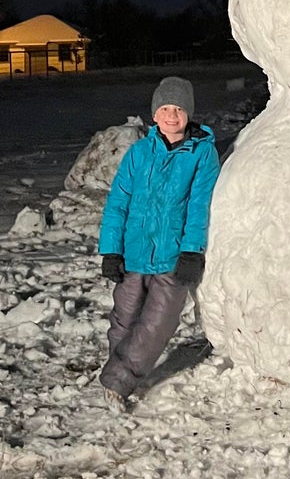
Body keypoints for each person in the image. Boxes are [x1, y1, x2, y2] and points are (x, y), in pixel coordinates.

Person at [97, 76, 222, 410]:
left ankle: (117, 381)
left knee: (157, 325)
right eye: (165, 108)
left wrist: (191, 250)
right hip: (133, 253)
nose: (171, 115)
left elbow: (199, 206)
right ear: (154, 113)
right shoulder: (139, 153)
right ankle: (118, 378)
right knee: (123, 320)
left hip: (172, 258)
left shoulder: (202, 154)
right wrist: (111, 249)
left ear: (188, 114)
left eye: (178, 109)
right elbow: (118, 202)